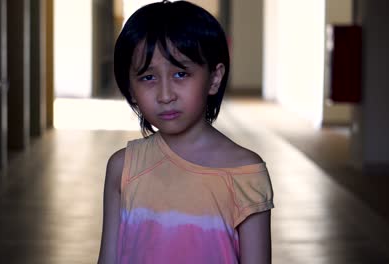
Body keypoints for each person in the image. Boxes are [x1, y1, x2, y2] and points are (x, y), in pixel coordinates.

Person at [98, 1, 274, 263]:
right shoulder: (123, 168)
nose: (165, 95)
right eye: (148, 77)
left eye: (181, 73)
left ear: (214, 79)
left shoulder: (246, 173)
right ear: (130, 88)